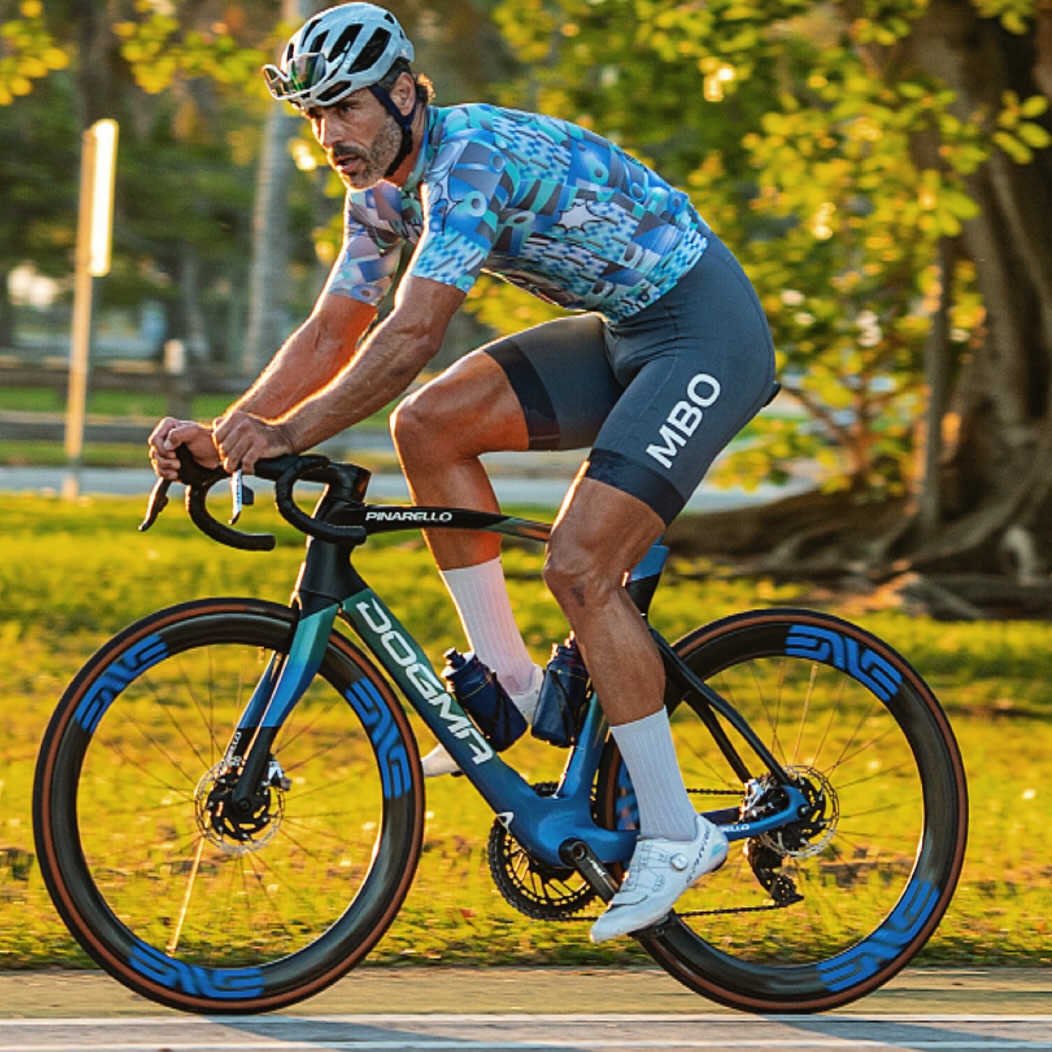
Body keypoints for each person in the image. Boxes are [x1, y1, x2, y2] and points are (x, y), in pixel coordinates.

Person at [148, 1, 777, 943]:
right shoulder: (380, 192)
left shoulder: (468, 161)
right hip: (625, 334)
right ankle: (514, 685)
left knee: (579, 567)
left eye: (347, 108)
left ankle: (677, 832)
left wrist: (289, 432)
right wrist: (232, 430)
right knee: (429, 426)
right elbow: (333, 330)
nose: (330, 136)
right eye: (315, 116)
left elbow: (410, 335)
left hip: (704, 332)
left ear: (405, 92)